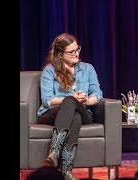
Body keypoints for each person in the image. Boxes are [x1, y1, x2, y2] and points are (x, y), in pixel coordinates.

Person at [37, 33, 103, 180]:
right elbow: (47, 100)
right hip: (52, 113)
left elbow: (97, 94)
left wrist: (86, 100)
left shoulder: (87, 68)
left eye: (77, 49)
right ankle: (66, 170)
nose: (76, 53)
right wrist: (70, 98)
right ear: (60, 54)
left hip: (84, 110)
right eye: (71, 52)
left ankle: (55, 151)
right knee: (74, 114)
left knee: (75, 107)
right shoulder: (50, 70)